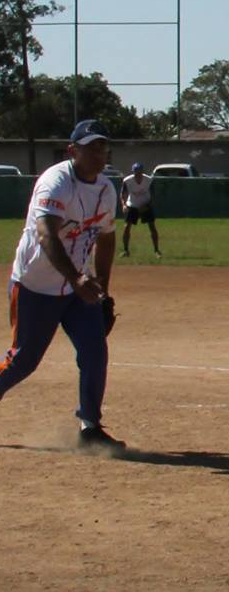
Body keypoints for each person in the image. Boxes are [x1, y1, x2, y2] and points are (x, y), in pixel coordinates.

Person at [0, 120, 124, 452]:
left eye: (103, 147)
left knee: (95, 351)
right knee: (23, 361)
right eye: (92, 147)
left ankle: (90, 426)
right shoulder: (55, 183)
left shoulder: (106, 190)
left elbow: (108, 239)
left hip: (76, 290)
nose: (99, 153)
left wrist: (103, 289)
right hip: (35, 285)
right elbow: (46, 235)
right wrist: (77, 278)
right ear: (73, 151)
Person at [119, 161, 160, 258]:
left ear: (142, 171)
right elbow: (123, 194)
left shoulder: (149, 180)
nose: (137, 174)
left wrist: (147, 206)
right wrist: (124, 205)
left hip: (146, 204)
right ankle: (126, 251)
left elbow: (154, 196)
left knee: (152, 227)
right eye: (135, 172)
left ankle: (156, 251)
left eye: (139, 171)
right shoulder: (127, 180)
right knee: (127, 227)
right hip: (132, 204)